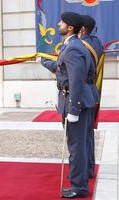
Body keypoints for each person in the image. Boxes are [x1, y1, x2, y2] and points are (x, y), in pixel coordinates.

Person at [40, 12, 95, 198]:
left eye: (62, 22)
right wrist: (44, 62)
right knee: (78, 145)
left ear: (70, 27)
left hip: (75, 102)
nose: (58, 23)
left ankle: (79, 187)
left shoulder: (73, 49)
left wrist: (73, 109)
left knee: (77, 147)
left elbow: (76, 81)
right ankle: (78, 182)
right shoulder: (72, 46)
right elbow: (61, 67)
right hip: (74, 100)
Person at [79, 15, 103, 179]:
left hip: (81, 93)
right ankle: (89, 169)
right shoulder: (97, 42)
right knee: (88, 135)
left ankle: (81, 171)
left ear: (81, 29)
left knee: (78, 137)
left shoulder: (80, 45)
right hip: (93, 91)